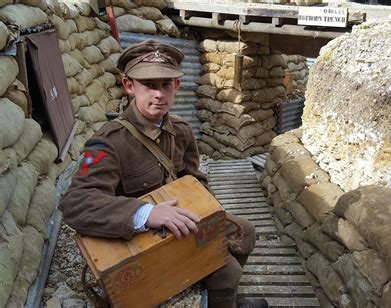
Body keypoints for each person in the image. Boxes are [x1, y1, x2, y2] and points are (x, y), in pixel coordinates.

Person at [60, 40, 268, 308]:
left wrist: (209, 212)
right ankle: (219, 291)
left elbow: (193, 179)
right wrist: (145, 213)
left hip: (181, 219)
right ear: (129, 86)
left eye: (166, 84)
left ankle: (215, 286)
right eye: (149, 85)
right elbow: (74, 205)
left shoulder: (181, 130)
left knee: (245, 232)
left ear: (176, 87)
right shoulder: (109, 142)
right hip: (143, 235)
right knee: (229, 272)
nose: (159, 94)